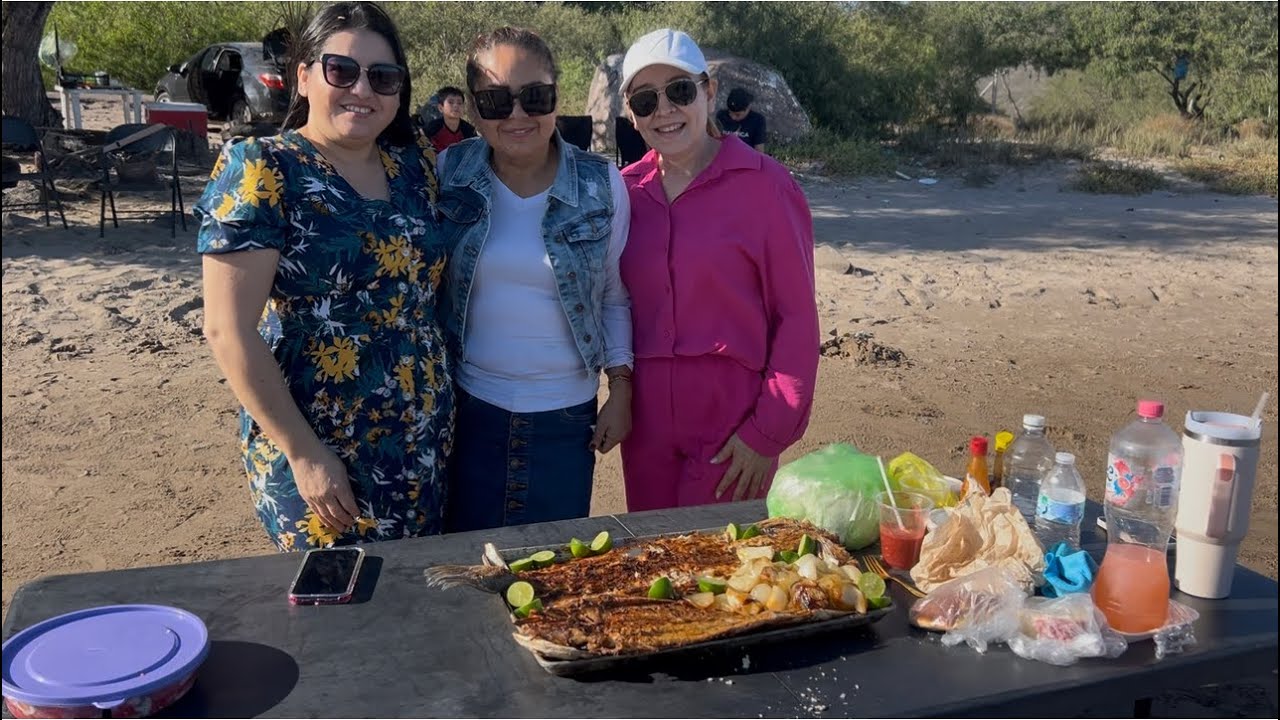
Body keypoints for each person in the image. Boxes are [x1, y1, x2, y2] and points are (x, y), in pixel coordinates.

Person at [195, 1, 453, 550]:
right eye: (343, 70)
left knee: (414, 605)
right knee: (336, 607)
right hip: (320, 444)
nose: (363, 90)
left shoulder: (415, 166)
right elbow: (226, 329)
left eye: (383, 77)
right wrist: (304, 452)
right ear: (305, 76)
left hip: (421, 437)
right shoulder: (263, 166)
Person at [436, 27, 633, 532]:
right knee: (466, 567)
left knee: (552, 575)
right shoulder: (446, 173)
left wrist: (622, 389)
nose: (518, 115)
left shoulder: (601, 183)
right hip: (469, 410)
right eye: (497, 100)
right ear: (475, 111)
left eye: (535, 97)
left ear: (556, 99)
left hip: (567, 418)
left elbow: (612, 295)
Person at [617, 29, 818, 511]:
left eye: (680, 91)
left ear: (708, 93)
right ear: (631, 114)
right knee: (654, 569)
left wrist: (766, 432)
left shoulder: (767, 188)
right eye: (646, 101)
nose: (664, 110)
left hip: (733, 431)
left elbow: (796, 319)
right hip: (645, 435)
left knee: (721, 574)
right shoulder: (621, 193)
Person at [423, 85, 477, 153]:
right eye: (450, 102)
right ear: (440, 108)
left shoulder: (469, 131)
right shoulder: (431, 129)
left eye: (459, 103)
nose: (456, 106)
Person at [716, 87, 767, 152]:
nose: (733, 117)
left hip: (746, 157)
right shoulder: (721, 116)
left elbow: (759, 151)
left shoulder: (758, 121)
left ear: (748, 108)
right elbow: (715, 141)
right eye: (730, 112)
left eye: (738, 115)